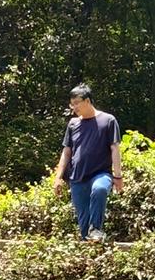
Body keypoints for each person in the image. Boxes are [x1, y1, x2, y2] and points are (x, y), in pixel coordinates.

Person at [51, 83, 122, 242]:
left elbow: (115, 149)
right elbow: (66, 152)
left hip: (100, 173)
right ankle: (92, 255)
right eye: (72, 103)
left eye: (77, 103)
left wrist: (118, 177)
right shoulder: (73, 124)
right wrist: (58, 178)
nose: (74, 107)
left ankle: (96, 228)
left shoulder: (108, 120)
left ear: (88, 101)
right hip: (77, 179)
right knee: (84, 230)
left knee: (100, 190)